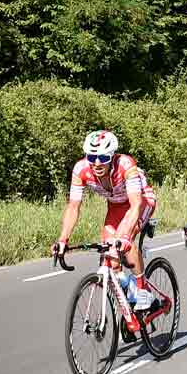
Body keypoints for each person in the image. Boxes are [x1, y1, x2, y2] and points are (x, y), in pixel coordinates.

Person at [54, 130, 158, 320]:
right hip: (116, 206)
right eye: (92, 156)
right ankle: (130, 292)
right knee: (110, 259)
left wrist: (125, 237)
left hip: (141, 201)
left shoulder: (126, 165)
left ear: (112, 156)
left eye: (102, 157)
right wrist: (62, 239)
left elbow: (135, 205)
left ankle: (143, 289)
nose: (97, 162)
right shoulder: (81, 170)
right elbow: (73, 207)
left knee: (123, 241)